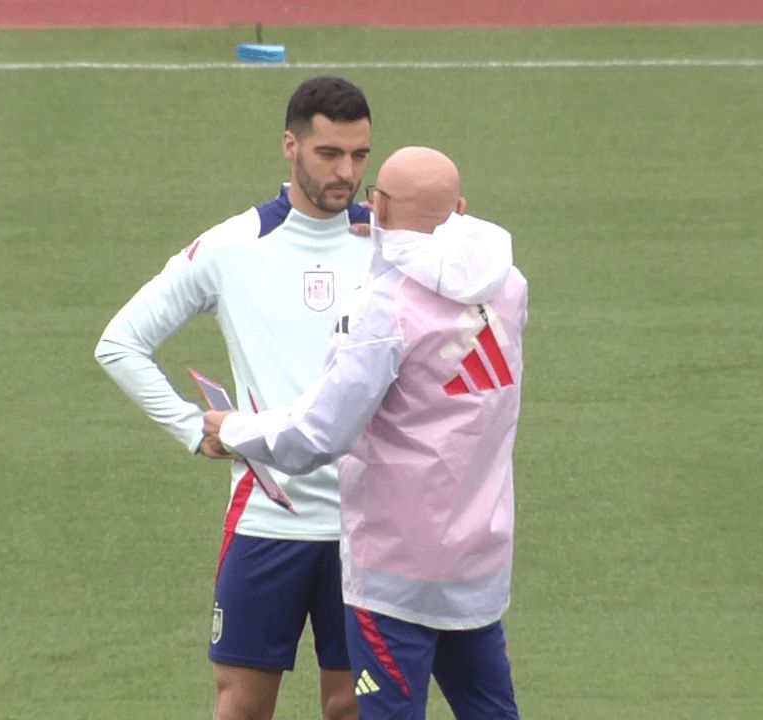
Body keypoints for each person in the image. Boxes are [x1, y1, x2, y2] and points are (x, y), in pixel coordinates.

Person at [204, 146, 527, 719]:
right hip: (477, 563)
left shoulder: (381, 310)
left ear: (376, 205)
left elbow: (317, 436)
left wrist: (236, 429)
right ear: (460, 208)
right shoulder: (508, 286)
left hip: (394, 573)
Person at [95, 76, 374, 720]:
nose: (348, 172)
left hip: (368, 526)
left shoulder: (392, 245)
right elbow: (121, 343)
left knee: (352, 709)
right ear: (290, 146)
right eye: (330, 154)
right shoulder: (231, 247)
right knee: (242, 707)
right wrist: (194, 430)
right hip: (267, 521)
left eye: (360, 155)